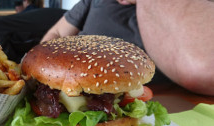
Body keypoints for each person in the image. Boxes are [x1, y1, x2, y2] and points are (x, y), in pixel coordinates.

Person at [41, 0, 214, 96]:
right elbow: (57, 32)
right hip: (73, 86)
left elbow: (206, 67)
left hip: (153, 97)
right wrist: (45, 71)